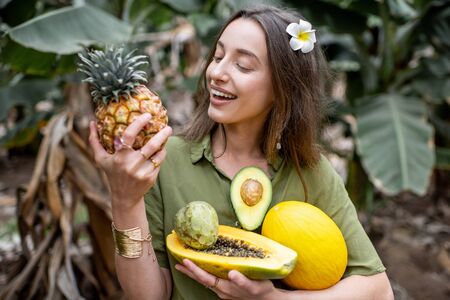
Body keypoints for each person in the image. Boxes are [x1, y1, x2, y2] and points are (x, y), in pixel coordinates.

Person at [89, 4, 394, 300]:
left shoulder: (311, 173)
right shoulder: (164, 160)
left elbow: (378, 290)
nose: (217, 72)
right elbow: (149, 295)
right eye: (218, 55)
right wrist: (125, 201)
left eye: (243, 65)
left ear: (282, 88)